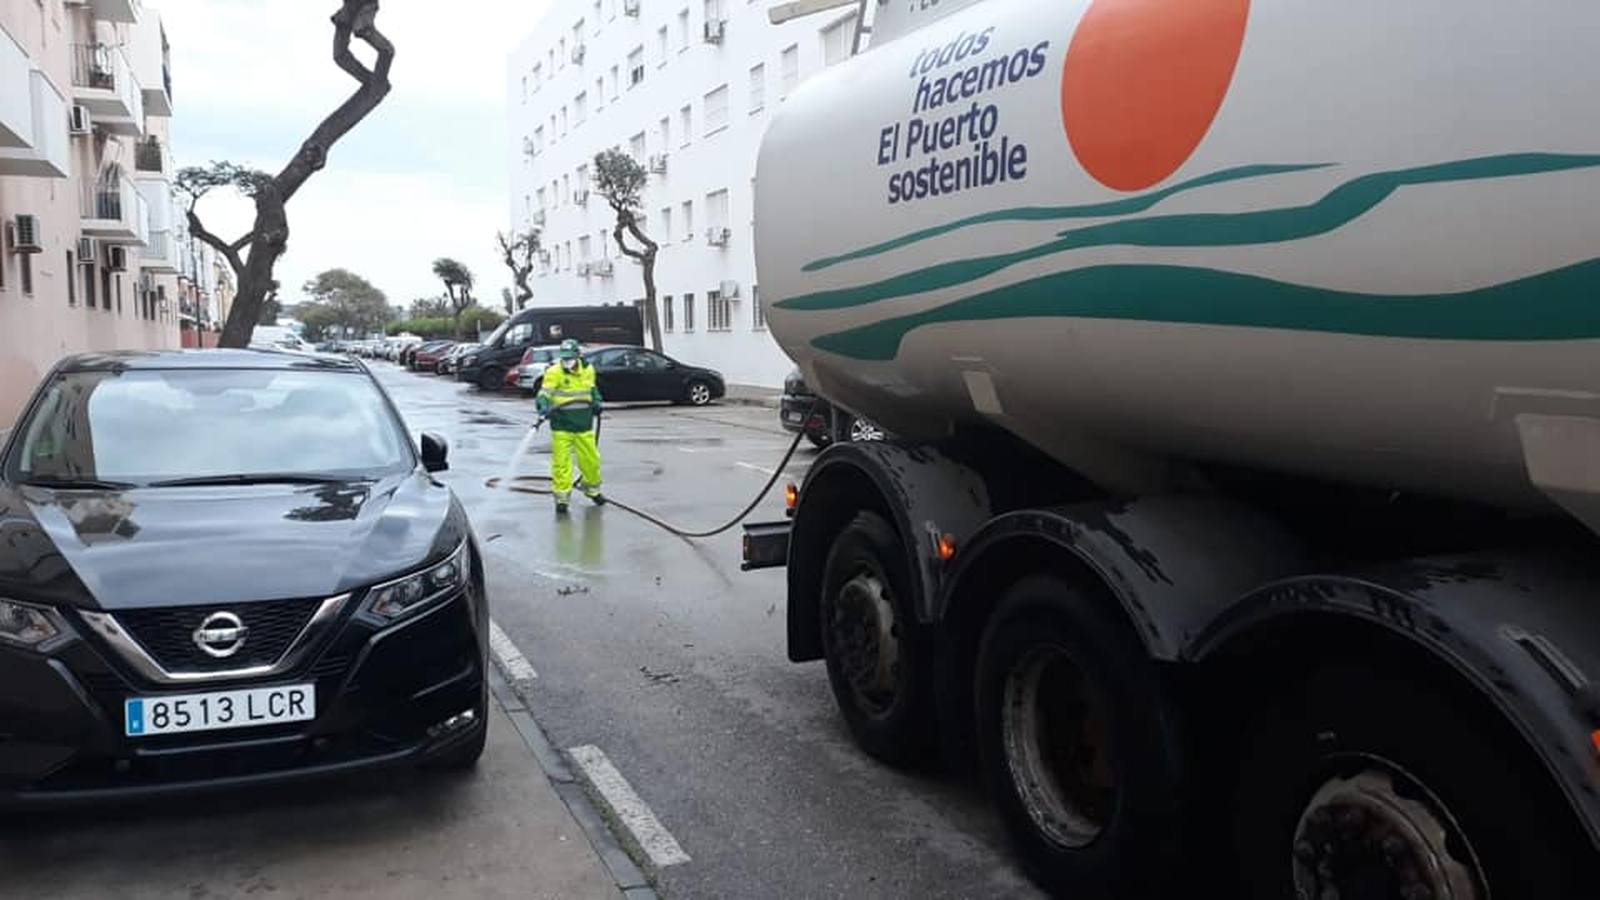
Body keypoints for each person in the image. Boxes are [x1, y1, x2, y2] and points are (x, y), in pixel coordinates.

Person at [535, 339, 604, 515]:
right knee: (561, 464)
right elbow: (544, 393)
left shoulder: (588, 370)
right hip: (561, 424)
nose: (567, 361)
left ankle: (592, 490)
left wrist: (597, 402)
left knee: (591, 461)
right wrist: (542, 405)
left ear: (578, 356)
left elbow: (592, 389)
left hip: (583, 424)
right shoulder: (554, 372)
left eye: (570, 358)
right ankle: (562, 499)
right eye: (564, 358)